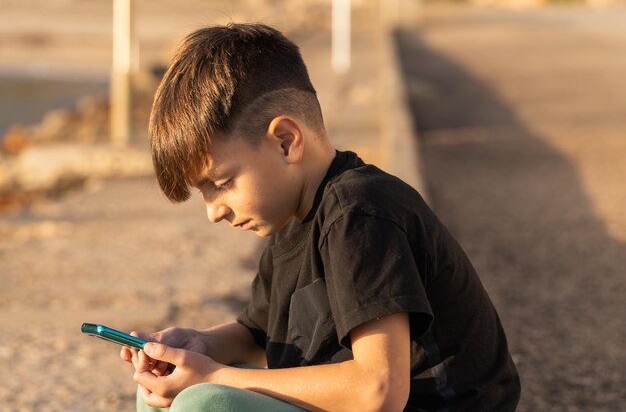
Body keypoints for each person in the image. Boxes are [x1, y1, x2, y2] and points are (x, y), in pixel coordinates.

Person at [120, 23, 521, 412]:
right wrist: (198, 347)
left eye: (222, 183)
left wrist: (215, 378)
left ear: (286, 141)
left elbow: (377, 390)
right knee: (165, 392)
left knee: (205, 403)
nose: (213, 212)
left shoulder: (360, 213)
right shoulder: (288, 226)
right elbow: (258, 338)